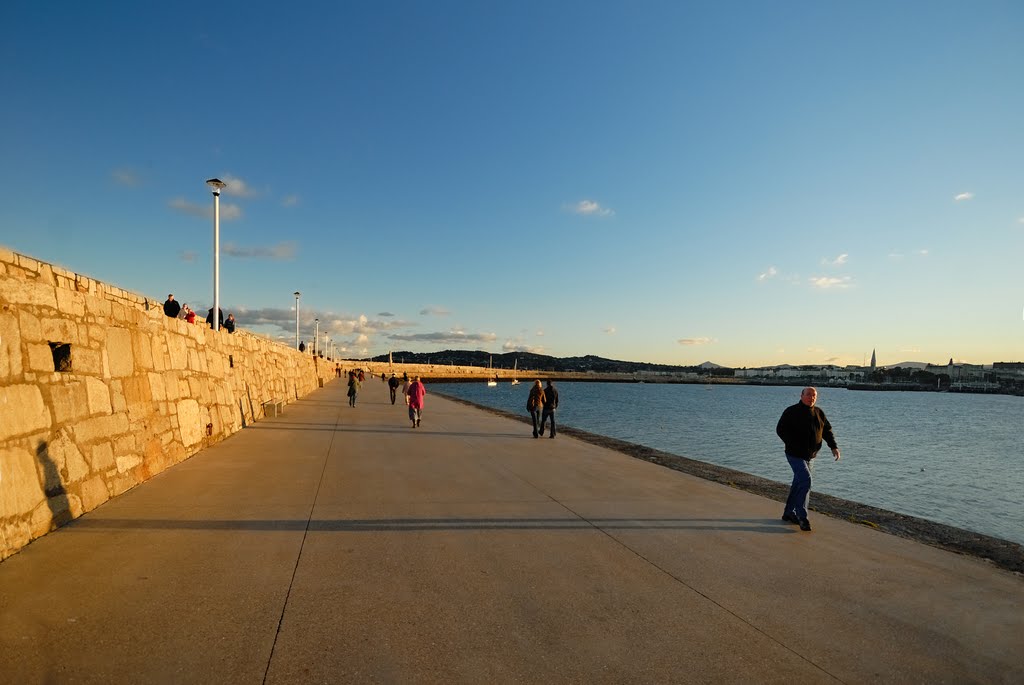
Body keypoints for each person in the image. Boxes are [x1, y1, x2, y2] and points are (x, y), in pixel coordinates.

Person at [775, 387, 841, 532]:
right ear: (802, 395)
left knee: (799, 484)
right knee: (806, 480)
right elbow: (780, 429)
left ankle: (788, 513)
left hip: (810, 456)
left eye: (814, 395)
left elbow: (827, 430)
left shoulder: (819, 413)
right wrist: (791, 443)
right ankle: (802, 517)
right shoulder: (791, 411)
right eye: (808, 395)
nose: (811, 397)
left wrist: (833, 447)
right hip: (794, 454)